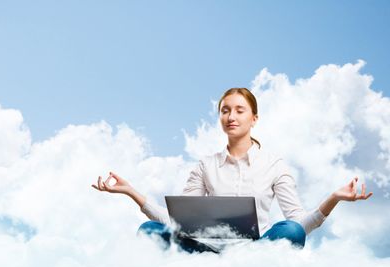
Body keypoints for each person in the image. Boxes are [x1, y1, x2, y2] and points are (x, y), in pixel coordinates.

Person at [92, 87, 373, 253]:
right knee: (150, 230)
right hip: (205, 250)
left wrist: (333, 198)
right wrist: (131, 192)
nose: (231, 116)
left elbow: (300, 223)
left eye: (239, 110)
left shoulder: (274, 165)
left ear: (254, 118)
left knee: (291, 231)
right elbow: (177, 220)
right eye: (225, 110)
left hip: (255, 252)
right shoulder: (206, 166)